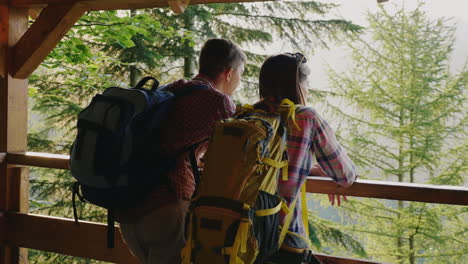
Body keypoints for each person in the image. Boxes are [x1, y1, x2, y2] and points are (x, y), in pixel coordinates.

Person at [117, 38, 246, 264]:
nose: (239, 81)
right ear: (228, 72)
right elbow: (231, 155)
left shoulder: (172, 90)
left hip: (129, 206)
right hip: (166, 207)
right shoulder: (220, 103)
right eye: (240, 75)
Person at [253, 52, 357, 263]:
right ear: (297, 84)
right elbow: (345, 175)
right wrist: (329, 171)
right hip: (283, 237)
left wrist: (308, 168)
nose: (308, 88)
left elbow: (267, 168)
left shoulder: (250, 116)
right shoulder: (305, 116)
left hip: (243, 234)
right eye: (306, 81)